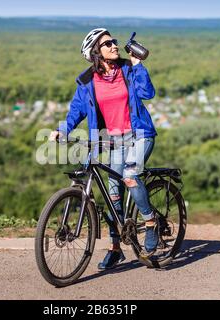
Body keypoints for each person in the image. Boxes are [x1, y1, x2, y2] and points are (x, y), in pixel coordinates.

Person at [49, 28, 158, 269]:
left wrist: (138, 65)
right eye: (107, 43)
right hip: (113, 141)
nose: (114, 45)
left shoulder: (128, 69)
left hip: (140, 134)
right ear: (95, 53)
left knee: (130, 176)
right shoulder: (87, 82)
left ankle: (150, 222)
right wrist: (62, 129)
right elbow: (76, 111)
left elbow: (147, 93)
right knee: (113, 195)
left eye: (114, 41)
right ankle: (115, 249)